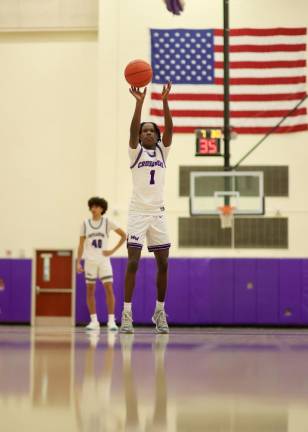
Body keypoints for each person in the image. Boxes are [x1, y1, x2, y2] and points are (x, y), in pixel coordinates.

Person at [120, 82, 173, 334]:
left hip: (158, 214)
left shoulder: (163, 152)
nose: (149, 133)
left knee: (163, 264)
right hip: (137, 213)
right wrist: (139, 103)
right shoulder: (135, 153)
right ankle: (127, 313)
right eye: (145, 131)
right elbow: (132, 131)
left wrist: (164, 101)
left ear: (158, 136)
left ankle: (159, 311)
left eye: (153, 131)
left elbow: (170, 131)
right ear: (140, 137)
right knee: (133, 262)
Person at [77, 197, 126, 331]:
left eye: (97, 206)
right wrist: (78, 262)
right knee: (90, 291)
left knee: (109, 289)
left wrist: (112, 251)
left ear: (102, 209)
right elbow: (80, 245)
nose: (94, 209)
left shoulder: (107, 222)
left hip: (104, 261)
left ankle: (111, 321)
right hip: (90, 261)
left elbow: (124, 236)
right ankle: (94, 321)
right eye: (92, 206)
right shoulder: (85, 224)